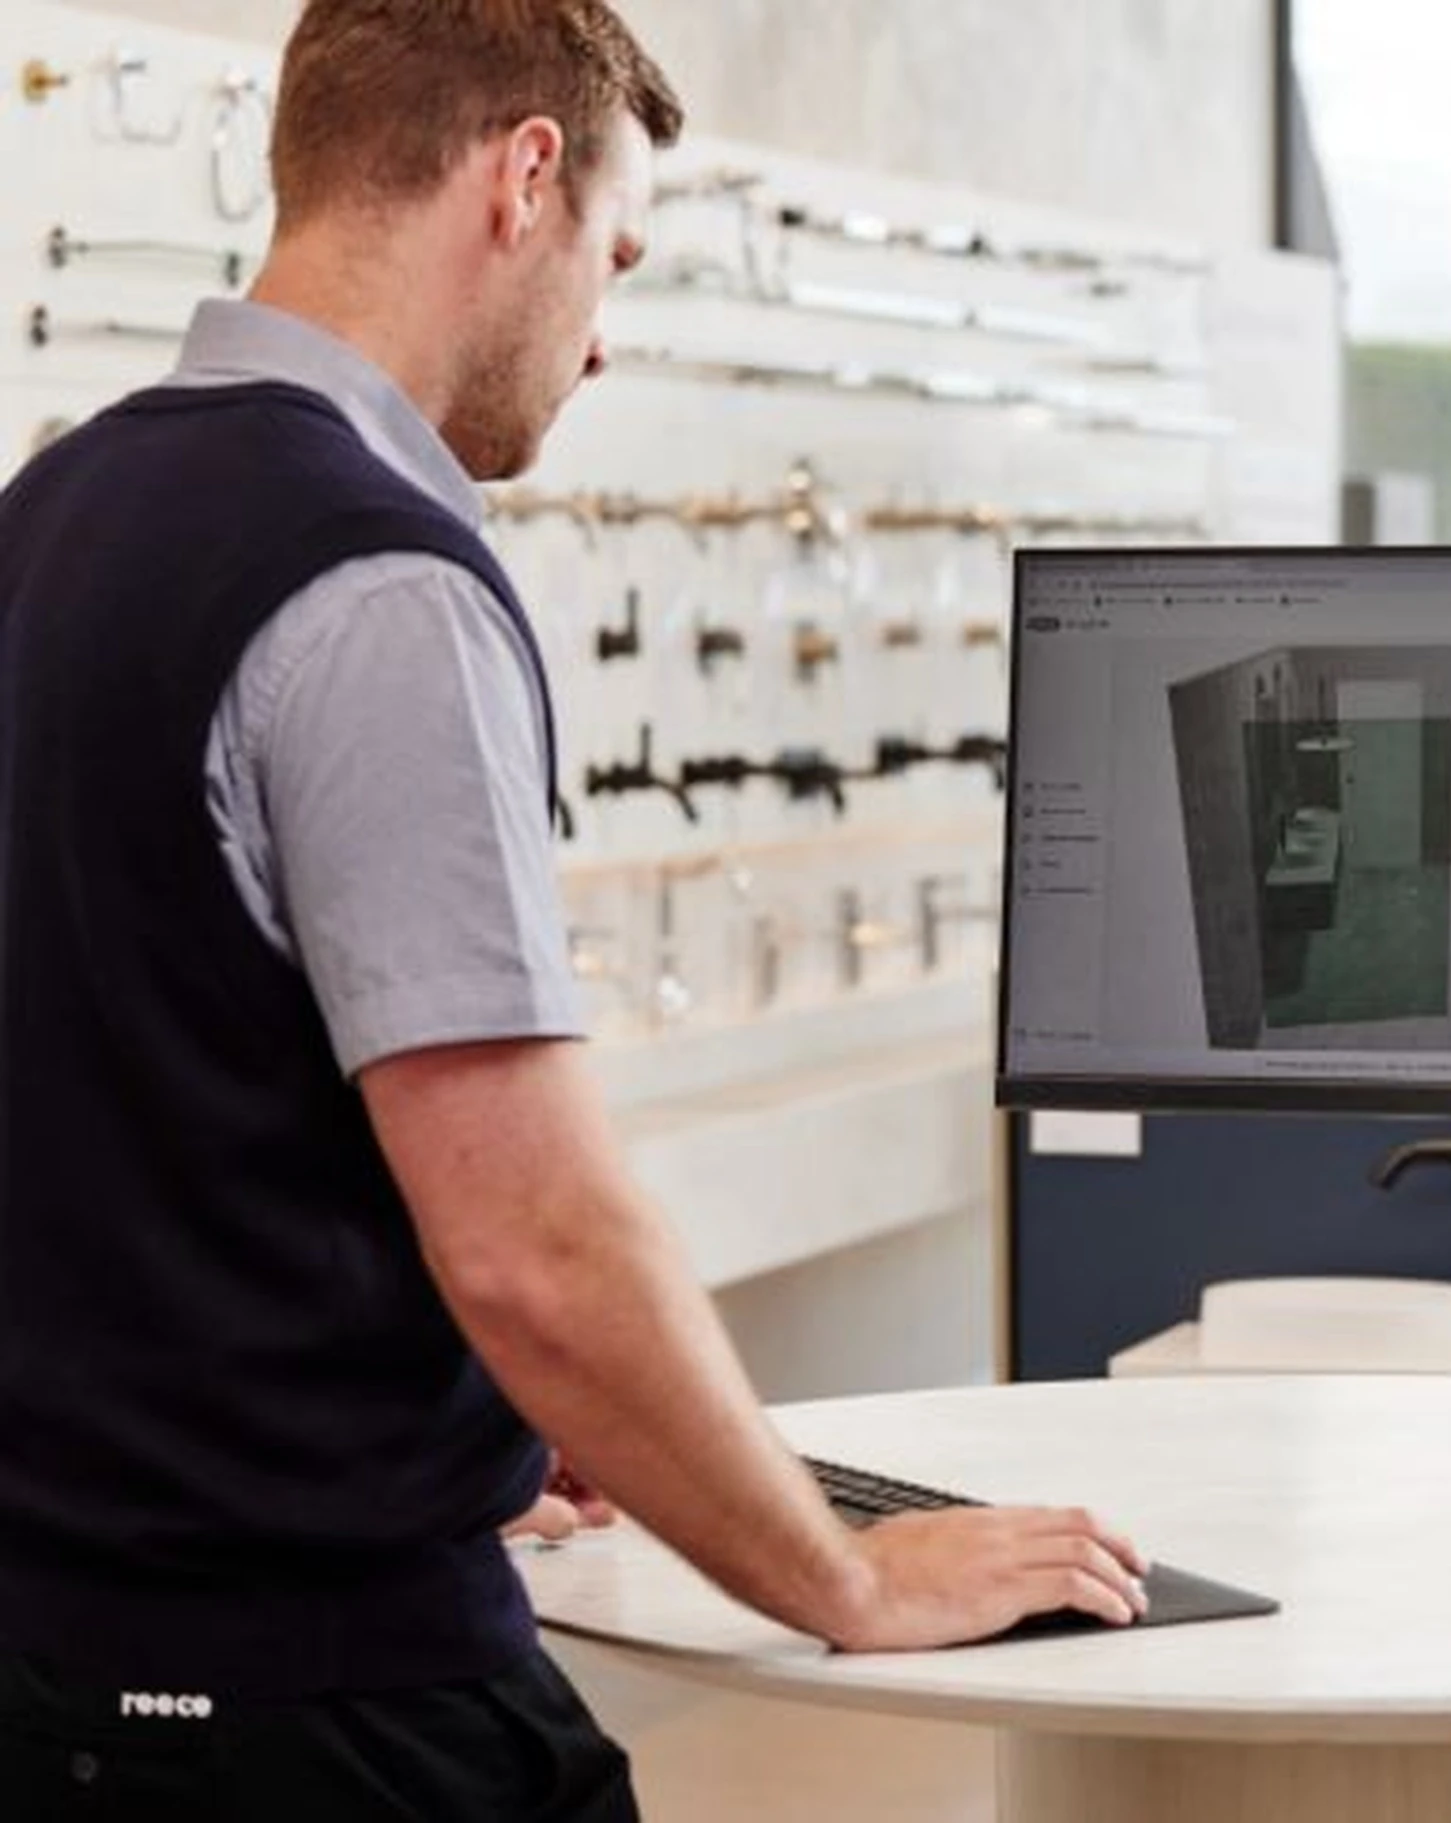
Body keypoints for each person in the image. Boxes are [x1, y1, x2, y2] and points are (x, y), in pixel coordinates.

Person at [0, 5, 1142, 1818]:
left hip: (65, 1678)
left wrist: (418, 1428)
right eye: (617, 256)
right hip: (333, 1713)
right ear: (525, 175)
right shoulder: (374, 578)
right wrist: (839, 1574)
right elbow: (535, 1243)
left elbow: (156, 1119)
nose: (604, 340)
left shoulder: (53, 513)